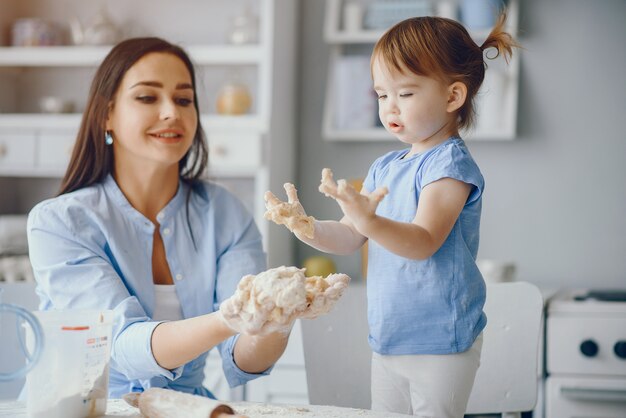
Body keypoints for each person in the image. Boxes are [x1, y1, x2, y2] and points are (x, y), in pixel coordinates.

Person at [264, 13, 519, 418]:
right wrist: (307, 226)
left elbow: (423, 242)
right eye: (382, 95)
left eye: (405, 93)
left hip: (442, 341)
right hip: (388, 339)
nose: (389, 107)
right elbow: (349, 236)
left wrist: (368, 221)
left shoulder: (449, 166)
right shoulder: (386, 166)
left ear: (453, 97)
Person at [26, 37, 293, 406]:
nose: (172, 112)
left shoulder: (226, 213)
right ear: (107, 114)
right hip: (85, 410)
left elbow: (244, 360)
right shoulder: (60, 222)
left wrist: (279, 314)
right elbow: (119, 346)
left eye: (184, 99)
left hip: (187, 409)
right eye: (148, 97)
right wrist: (231, 318)